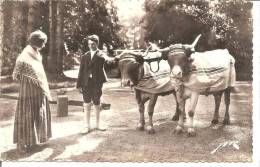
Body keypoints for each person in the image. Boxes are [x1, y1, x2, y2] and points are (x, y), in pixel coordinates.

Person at [12, 30, 52, 152]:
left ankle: (32, 142)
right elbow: (16, 74)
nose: (44, 45)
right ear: (37, 42)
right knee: (26, 114)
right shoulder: (25, 55)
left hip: (38, 89)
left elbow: (40, 72)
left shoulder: (36, 53)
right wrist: (29, 79)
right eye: (43, 43)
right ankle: (21, 144)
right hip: (27, 90)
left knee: (37, 113)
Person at [76, 34, 118, 134]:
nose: (91, 46)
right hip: (86, 82)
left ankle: (98, 123)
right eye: (89, 44)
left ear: (97, 44)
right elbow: (81, 71)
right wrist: (79, 85)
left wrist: (111, 59)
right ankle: (86, 125)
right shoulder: (85, 56)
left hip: (97, 82)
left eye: (93, 44)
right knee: (86, 103)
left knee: (96, 101)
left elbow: (108, 61)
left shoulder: (101, 54)